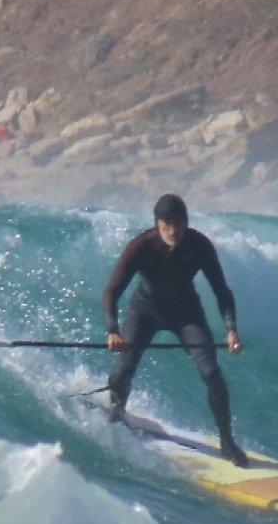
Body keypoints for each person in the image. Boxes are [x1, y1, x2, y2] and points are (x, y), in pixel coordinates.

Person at [102, 193, 246, 464]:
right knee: (123, 369)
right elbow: (111, 291)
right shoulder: (140, 247)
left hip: (186, 312)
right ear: (157, 224)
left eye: (178, 223)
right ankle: (117, 412)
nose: (173, 230)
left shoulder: (200, 245)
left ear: (187, 222)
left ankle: (227, 441)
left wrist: (231, 329)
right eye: (167, 224)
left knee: (212, 373)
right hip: (144, 310)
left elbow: (222, 291)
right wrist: (113, 329)